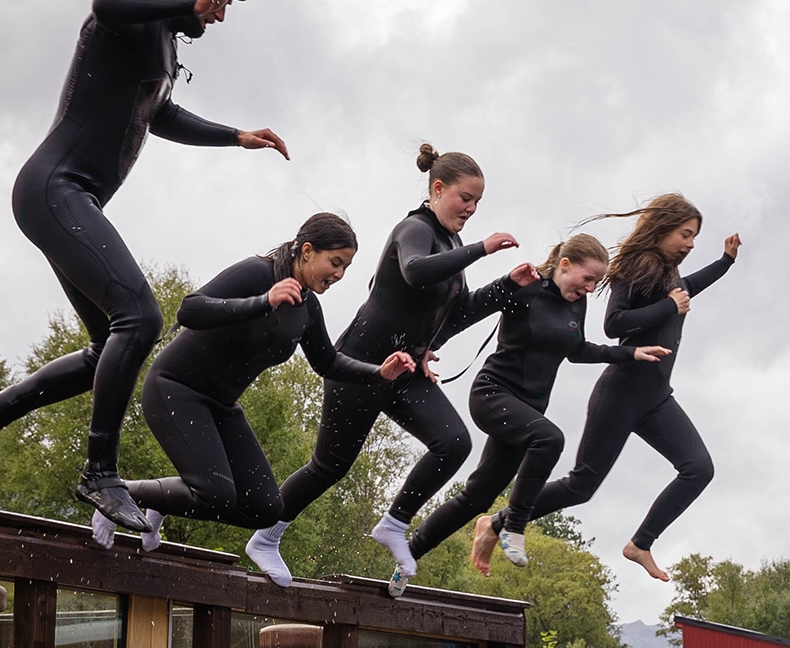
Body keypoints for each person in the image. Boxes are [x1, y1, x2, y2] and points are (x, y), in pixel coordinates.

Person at [0, 0, 289, 532]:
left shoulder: (163, 42)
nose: (219, 16)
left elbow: (159, 115)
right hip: (55, 189)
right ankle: (99, 472)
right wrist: (190, 0)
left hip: (71, 199)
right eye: (220, 1)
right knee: (142, 318)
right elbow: (106, 0)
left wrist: (236, 136)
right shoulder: (130, 19)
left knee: (106, 345)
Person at [247, 144, 535, 591]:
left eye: (478, 202)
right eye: (465, 198)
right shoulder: (414, 229)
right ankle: (266, 537)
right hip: (359, 363)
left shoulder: (453, 245)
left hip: (402, 370)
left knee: (453, 443)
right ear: (437, 189)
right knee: (329, 466)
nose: (472, 209)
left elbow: (456, 313)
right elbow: (416, 271)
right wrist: (482, 249)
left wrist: (504, 286)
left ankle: (395, 524)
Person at [87, 213, 415, 553]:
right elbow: (190, 310)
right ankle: (118, 492)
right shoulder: (258, 273)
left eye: (345, 267)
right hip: (175, 388)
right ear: (306, 251)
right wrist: (264, 300)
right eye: (335, 262)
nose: (339, 274)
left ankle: (164, 500)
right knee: (216, 493)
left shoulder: (307, 308)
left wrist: (378, 372)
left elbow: (327, 362)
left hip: (222, 405)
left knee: (265, 507)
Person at [488, 193, 740, 581]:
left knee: (698, 469)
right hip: (620, 394)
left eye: (694, 237)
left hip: (656, 397)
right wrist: (670, 307)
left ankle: (640, 544)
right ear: (663, 228)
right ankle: (496, 523)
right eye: (685, 234)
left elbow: (686, 287)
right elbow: (614, 324)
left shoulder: (669, 274)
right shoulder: (637, 266)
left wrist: (725, 262)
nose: (690, 244)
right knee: (581, 486)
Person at [405, 235, 671, 580]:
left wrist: (630, 352)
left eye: (596, 282)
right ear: (565, 265)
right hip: (493, 394)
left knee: (477, 497)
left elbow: (577, 350)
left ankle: (408, 555)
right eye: (587, 278)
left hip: (527, 410)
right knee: (550, 439)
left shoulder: (576, 303)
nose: (590, 288)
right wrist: (426, 347)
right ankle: (513, 526)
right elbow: (468, 310)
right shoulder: (526, 287)